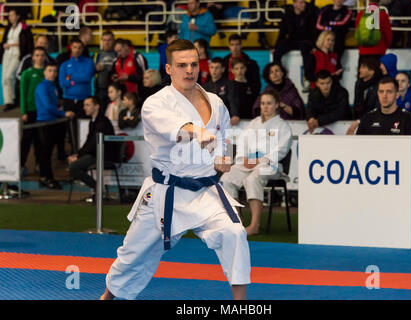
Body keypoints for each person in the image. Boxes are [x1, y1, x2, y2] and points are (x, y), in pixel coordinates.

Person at [100, 39, 250, 300]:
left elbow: (224, 137)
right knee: (132, 255)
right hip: (165, 193)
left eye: (193, 64)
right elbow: (172, 125)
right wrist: (195, 131)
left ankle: (240, 303)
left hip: (205, 191)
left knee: (234, 233)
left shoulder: (215, 101)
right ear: (168, 68)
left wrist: (222, 158)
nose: (189, 70)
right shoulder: (155, 103)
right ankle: (106, 298)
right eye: (182, 65)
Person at [220, 89, 293, 236]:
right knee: (226, 179)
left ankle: (254, 225)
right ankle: (237, 223)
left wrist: (259, 160)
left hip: (269, 164)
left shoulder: (282, 126)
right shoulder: (253, 124)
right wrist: (244, 158)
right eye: (263, 103)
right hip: (248, 162)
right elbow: (242, 143)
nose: (265, 107)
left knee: (253, 179)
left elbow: (282, 150)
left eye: (269, 103)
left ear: (277, 105)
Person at [35, 62, 75, 189]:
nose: (53, 73)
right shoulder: (42, 87)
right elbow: (47, 106)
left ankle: (47, 177)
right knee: (45, 153)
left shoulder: (53, 86)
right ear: (45, 72)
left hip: (53, 122)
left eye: (54, 71)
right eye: (50, 70)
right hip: (44, 122)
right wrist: (64, 113)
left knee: (48, 152)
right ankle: (45, 178)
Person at [67, 96, 115, 203]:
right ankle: (97, 190)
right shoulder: (93, 121)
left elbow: (93, 144)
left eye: (88, 105)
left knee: (73, 168)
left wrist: (78, 157)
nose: (85, 108)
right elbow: (89, 142)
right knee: (75, 167)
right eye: (84, 105)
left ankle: (98, 189)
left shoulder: (102, 122)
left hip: (103, 156)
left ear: (97, 106)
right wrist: (77, 155)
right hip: (95, 154)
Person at [19, 47, 46, 176]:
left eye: (42, 55)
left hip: (44, 113)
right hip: (30, 112)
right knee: (26, 140)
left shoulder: (48, 73)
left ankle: (39, 164)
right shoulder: (27, 73)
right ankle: (21, 165)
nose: (40, 57)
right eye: (37, 55)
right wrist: (24, 112)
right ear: (33, 57)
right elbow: (22, 94)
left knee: (40, 141)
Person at [1, 8, 33, 111]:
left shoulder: (23, 27)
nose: (10, 17)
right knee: (4, 79)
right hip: (7, 54)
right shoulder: (8, 28)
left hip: (17, 54)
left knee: (10, 76)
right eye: (9, 15)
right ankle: (8, 101)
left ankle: (14, 99)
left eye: (12, 15)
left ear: (18, 16)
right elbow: (4, 41)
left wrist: (12, 44)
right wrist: (4, 45)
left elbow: (27, 42)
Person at [59, 38, 96, 119]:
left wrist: (71, 77)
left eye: (79, 47)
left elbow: (87, 77)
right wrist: (72, 82)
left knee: (84, 126)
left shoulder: (89, 62)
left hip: (84, 99)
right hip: (69, 100)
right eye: (75, 47)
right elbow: (62, 83)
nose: (77, 50)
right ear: (71, 48)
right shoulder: (65, 64)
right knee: (70, 128)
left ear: (82, 49)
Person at [272, 0, 318, 65]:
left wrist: (314, 46)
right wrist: (276, 47)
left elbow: (313, 33)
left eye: (304, 2)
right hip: (292, 41)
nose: (304, 4)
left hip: (306, 41)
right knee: (277, 52)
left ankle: (308, 74)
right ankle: (278, 69)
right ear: (294, 4)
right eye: (301, 2)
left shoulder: (310, 15)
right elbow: (282, 33)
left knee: (306, 51)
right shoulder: (287, 16)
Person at [306, 69, 351, 134]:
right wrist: (310, 118)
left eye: (328, 83)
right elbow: (310, 109)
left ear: (332, 81)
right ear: (317, 84)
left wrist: (319, 121)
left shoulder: (342, 92)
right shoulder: (313, 94)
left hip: (343, 128)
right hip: (322, 128)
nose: (325, 86)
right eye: (322, 83)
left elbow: (341, 113)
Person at [203, 57, 240, 126]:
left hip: (225, 121)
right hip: (210, 122)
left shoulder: (229, 84)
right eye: (212, 67)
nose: (214, 70)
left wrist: (235, 114)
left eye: (217, 68)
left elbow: (232, 100)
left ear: (222, 69)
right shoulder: (205, 87)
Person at [355, 0, 392, 66]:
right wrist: (387, 46)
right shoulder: (383, 15)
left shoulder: (360, 14)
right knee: (377, 75)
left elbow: (357, 32)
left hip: (363, 51)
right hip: (379, 50)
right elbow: (388, 35)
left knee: (363, 74)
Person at [315, 0, 352, 66]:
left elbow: (343, 24)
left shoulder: (346, 11)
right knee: (322, 64)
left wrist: (330, 24)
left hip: (338, 43)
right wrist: (329, 27)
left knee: (335, 64)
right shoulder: (325, 10)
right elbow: (318, 25)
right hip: (324, 43)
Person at [93, 30, 117, 114]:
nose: (107, 42)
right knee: (101, 114)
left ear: (113, 41)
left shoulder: (117, 53)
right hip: (101, 90)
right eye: (104, 40)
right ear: (101, 41)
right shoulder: (97, 55)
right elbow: (90, 72)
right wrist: (95, 69)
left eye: (109, 40)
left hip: (115, 89)